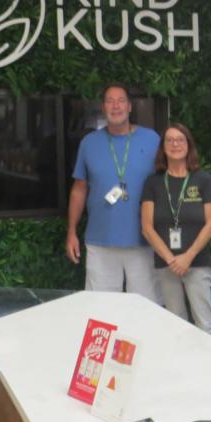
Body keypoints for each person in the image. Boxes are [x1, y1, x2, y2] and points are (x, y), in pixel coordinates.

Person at [66, 84, 161, 302]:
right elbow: (79, 189)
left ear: (129, 106)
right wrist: (71, 231)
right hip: (100, 242)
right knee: (102, 312)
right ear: (103, 107)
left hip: (144, 241)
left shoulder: (152, 139)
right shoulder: (89, 143)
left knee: (147, 310)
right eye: (110, 100)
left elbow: (167, 184)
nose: (115, 105)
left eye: (120, 100)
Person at [141, 123, 211, 336]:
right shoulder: (153, 183)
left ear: (188, 145)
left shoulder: (203, 180)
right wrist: (171, 259)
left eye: (180, 140)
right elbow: (147, 228)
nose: (175, 144)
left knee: (205, 325)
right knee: (176, 326)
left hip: (197, 262)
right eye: (170, 140)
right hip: (167, 266)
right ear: (163, 147)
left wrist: (188, 256)